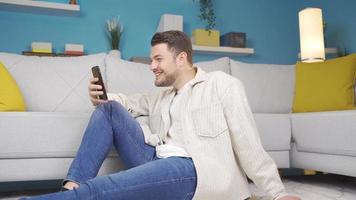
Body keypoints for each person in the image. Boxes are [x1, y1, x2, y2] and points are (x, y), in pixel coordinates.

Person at [21, 31, 300, 200]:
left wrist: (276, 192)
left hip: (193, 170)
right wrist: (101, 97)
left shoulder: (222, 85)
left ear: (181, 58)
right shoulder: (162, 97)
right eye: (151, 59)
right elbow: (126, 103)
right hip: (156, 157)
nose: (151, 66)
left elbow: (248, 142)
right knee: (108, 110)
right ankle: (72, 187)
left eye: (158, 59)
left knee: (103, 189)